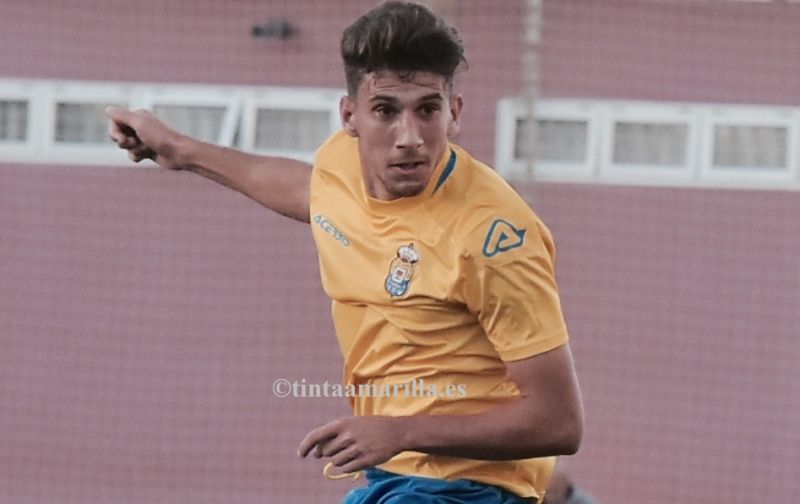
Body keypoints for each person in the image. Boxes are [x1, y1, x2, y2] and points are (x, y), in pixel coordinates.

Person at [106, 2, 584, 503]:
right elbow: (303, 190)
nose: (409, 137)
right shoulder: (343, 169)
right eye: (386, 111)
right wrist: (179, 149)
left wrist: (400, 431)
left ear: (454, 113)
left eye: (427, 109)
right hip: (394, 478)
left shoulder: (493, 238)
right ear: (350, 116)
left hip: (471, 490)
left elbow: (558, 422)